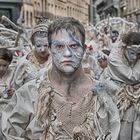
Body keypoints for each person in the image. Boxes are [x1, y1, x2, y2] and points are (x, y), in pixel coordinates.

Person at [1, 17, 120, 140]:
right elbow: (9, 133)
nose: (67, 53)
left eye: (74, 46)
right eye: (59, 47)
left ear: (84, 49)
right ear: (51, 49)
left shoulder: (103, 97)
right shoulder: (29, 94)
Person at [105, 31, 140, 140]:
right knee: (120, 129)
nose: (134, 57)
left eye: (138, 53)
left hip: (134, 99)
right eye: (132, 52)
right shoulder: (114, 58)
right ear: (124, 47)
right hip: (118, 99)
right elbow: (133, 77)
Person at [13, 22, 51, 89]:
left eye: (46, 45)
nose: (42, 50)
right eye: (38, 46)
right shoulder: (24, 63)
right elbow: (17, 87)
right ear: (33, 44)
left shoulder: (55, 62)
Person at [0, 48, 15, 139]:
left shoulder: (13, 75)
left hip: (8, 108)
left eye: (5, 65)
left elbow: (22, 91)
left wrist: (14, 92)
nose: (1, 69)